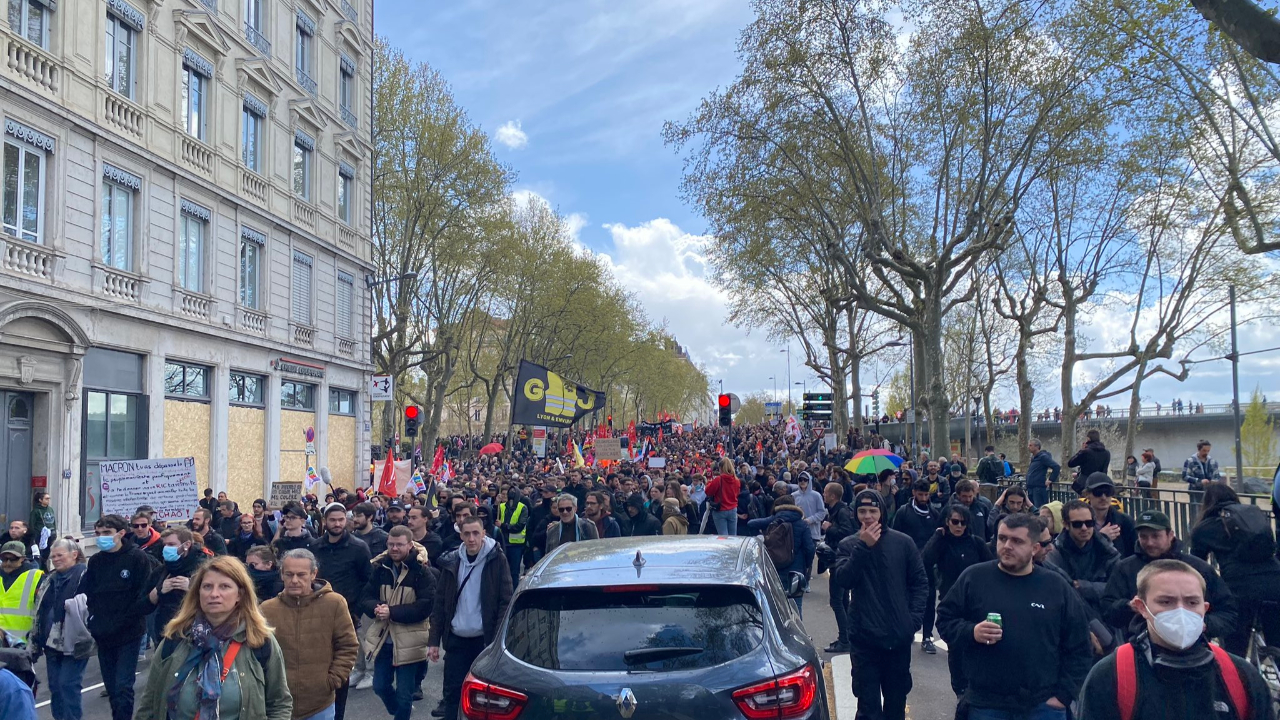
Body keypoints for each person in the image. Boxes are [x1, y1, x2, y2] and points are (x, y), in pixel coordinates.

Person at [937, 514, 1092, 720]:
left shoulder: (1055, 586)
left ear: (1034, 548)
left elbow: (1080, 645)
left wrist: (1063, 695)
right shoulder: (974, 578)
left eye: (1017, 541)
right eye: (1002, 538)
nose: (1007, 546)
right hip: (986, 703)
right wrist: (971, 631)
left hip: (1042, 705)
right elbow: (945, 619)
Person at [1077, 559, 1274, 720]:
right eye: (1166, 601)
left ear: (1204, 608)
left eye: (1192, 602)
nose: (1181, 611)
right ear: (1141, 607)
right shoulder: (1111, 676)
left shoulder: (1241, 677)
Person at [133, 555, 293, 720]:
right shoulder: (176, 638)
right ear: (198, 593)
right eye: (207, 587)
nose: (214, 594)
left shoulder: (260, 641)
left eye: (224, 586)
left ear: (240, 594)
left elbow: (279, 703)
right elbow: (149, 704)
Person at [830, 489, 928, 720]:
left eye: (872, 511)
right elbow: (844, 579)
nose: (868, 517)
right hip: (864, 639)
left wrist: (912, 621)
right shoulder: (848, 545)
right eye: (862, 511)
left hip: (897, 637)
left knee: (896, 705)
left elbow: (919, 583)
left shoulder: (903, 543)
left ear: (882, 512)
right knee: (868, 708)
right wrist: (863, 547)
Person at [1101, 510, 1237, 643]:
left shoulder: (1199, 568)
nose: (1149, 542)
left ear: (1170, 535)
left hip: (1196, 647)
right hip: (1140, 645)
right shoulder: (1125, 568)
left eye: (1155, 536)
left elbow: (1228, 612)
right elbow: (1107, 610)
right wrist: (1128, 606)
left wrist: (1201, 624)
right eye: (1143, 537)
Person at [428, 515, 513, 720]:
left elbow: (505, 601)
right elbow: (440, 602)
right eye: (467, 534)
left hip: (484, 640)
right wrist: (434, 640)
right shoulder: (452, 561)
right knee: (452, 692)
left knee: (484, 696)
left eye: (476, 533)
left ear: (484, 534)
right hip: (456, 638)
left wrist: (497, 640)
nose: (471, 538)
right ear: (461, 535)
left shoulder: (497, 559)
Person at [261, 549, 359, 720]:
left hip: (320, 705)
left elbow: (347, 645)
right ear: (281, 574)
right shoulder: (267, 609)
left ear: (313, 574)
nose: (294, 580)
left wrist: (332, 680)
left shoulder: (334, 603)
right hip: (279, 706)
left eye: (301, 575)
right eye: (289, 574)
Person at [1190, 483, 1280, 656]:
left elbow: (1197, 566)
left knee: (1235, 646)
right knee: (1276, 641)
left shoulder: (1204, 528)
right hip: (1275, 580)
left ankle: (1236, 671)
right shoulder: (1253, 518)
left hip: (1240, 587)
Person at [82, 514, 155, 720]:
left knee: (123, 686)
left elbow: (143, 593)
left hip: (129, 632)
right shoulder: (96, 561)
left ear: (121, 533)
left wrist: (129, 617)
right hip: (103, 633)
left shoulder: (136, 558)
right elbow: (89, 593)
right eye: (98, 533)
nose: (101, 537)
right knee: (112, 688)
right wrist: (93, 619)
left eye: (107, 533)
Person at [358, 526, 434, 720]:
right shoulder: (380, 568)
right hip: (384, 638)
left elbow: (425, 606)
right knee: (380, 686)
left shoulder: (421, 571)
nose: (394, 548)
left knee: (404, 694)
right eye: (391, 544)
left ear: (410, 545)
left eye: (399, 544)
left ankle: (402, 713)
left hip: (410, 640)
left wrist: (392, 612)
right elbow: (365, 596)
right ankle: (400, 711)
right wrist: (376, 608)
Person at [923, 504, 993, 696]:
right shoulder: (942, 543)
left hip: (976, 601)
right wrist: (937, 536)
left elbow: (990, 566)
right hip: (951, 601)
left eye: (963, 522)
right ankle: (960, 689)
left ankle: (975, 685)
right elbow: (926, 559)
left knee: (978, 645)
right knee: (955, 647)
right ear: (947, 522)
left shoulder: (976, 543)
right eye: (955, 522)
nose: (959, 526)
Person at [312, 503, 370, 720]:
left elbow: (368, 581)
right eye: (332, 520)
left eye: (340, 520)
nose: (337, 524)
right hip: (316, 614)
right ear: (324, 521)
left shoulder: (358, 547)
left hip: (346, 615)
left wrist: (356, 609)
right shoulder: (315, 547)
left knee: (340, 666)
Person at [31, 539, 91, 720]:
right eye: (53, 556)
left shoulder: (86, 576)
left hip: (75, 641)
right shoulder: (49, 579)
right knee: (55, 687)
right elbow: (40, 609)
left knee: (68, 684)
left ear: (74, 555)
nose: (55, 559)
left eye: (60, 555)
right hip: (50, 642)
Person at [891, 478, 943, 654]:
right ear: (913, 493)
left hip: (928, 564)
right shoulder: (903, 512)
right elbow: (896, 535)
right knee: (906, 599)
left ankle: (927, 636)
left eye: (926, 494)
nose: (924, 498)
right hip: (907, 562)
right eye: (920, 494)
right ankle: (908, 629)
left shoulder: (934, 513)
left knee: (929, 600)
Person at [1045, 499, 1121, 619]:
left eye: (1089, 523)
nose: (1084, 528)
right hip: (1070, 617)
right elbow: (1057, 592)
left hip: (1106, 616)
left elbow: (1119, 588)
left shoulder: (1107, 550)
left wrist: (1083, 587)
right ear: (1066, 525)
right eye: (1077, 524)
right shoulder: (1054, 553)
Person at [748, 494, 815, 614]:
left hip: (775, 567)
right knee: (796, 606)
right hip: (796, 570)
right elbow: (809, 548)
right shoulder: (802, 524)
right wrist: (807, 565)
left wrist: (761, 537)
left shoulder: (774, 520)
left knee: (776, 605)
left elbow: (751, 523)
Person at [148, 527, 208, 647]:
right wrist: (159, 590)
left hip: (196, 634)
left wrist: (192, 588)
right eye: (164, 545)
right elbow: (143, 605)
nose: (166, 548)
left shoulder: (204, 568)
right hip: (165, 633)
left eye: (171, 544)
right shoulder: (161, 570)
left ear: (186, 545)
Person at [821, 481, 858, 653]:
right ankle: (847, 636)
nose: (823, 494)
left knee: (837, 600)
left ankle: (845, 639)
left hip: (840, 559)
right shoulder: (837, 510)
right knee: (842, 600)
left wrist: (829, 528)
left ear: (833, 496)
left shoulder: (842, 511)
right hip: (839, 558)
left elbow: (847, 533)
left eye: (826, 492)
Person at [1083, 472, 1138, 559]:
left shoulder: (1126, 521)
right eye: (1098, 492)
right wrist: (1101, 538)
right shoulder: (1078, 522)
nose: (1103, 497)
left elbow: (1135, 554)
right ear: (1087, 494)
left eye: (1108, 492)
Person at [0, 540, 42, 638]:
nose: (8, 563)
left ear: (22, 559)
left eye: (13, 559)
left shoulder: (36, 577)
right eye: (4, 559)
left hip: (23, 642)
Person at [496, 487, 528, 587]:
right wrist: (496, 504)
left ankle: (513, 591)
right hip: (502, 542)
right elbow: (493, 517)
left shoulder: (522, 508)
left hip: (516, 545)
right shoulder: (501, 506)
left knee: (514, 572)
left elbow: (520, 526)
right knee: (501, 571)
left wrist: (503, 525)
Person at [705, 458, 742, 535]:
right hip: (733, 509)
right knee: (733, 536)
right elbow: (737, 493)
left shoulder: (719, 479)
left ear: (721, 468)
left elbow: (708, 492)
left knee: (723, 536)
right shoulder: (736, 480)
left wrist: (708, 483)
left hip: (720, 509)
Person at [1068, 429, 1111, 493]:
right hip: (1099, 483)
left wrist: (1081, 450)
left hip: (1085, 484)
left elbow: (1071, 463)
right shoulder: (1107, 453)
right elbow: (1104, 469)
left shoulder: (1086, 452)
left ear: (1088, 439)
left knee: (1084, 498)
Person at [1026, 439, 1061, 508]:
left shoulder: (1043, 457)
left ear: (1037, 447)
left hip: (1038, 488)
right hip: (1031, 487)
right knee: (1032, 509)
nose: (1028, 447)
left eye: (1030, 445)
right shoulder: (1034, 458)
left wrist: (1051, 479)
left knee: (1039, 508)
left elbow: (1056, 467)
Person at [28, 492, 55, 569]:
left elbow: (53, 521)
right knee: (40, 553)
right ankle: (41, 567)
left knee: (47, 552)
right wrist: (33, 535)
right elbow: (32, 524)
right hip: (40, 535)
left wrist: (54, 532)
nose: (48, 500)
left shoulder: (50, 509)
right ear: (40, 500)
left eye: (49, 498)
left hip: (50, 534)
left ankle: (44, 565)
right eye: (46, 498)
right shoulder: (36, 511)